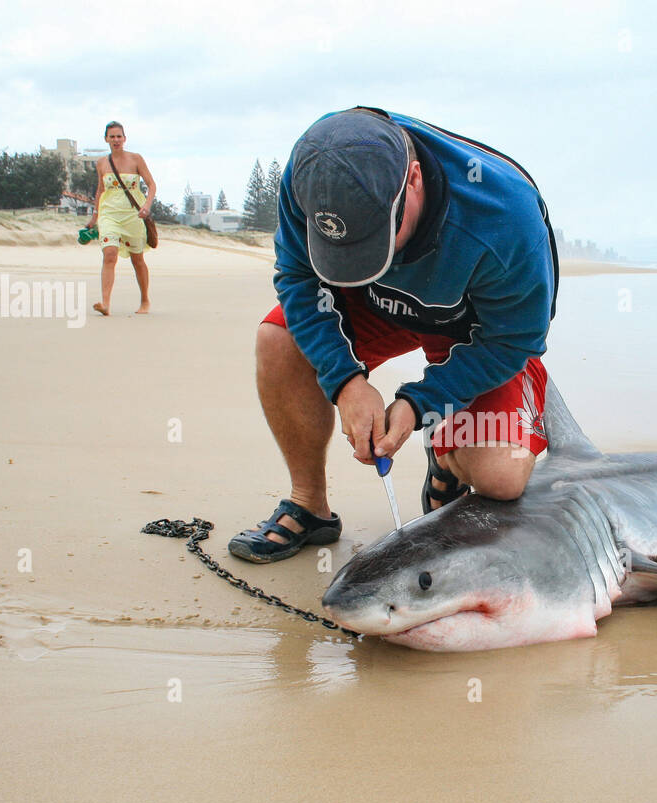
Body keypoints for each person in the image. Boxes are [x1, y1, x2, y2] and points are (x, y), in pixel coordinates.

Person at [229, 106, 559, 563]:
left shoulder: (506, 217)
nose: (371, 260)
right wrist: (344, 381)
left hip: (469, 325)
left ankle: (445, 455)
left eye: (378, 237)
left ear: (415, 179)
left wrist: (421, 402)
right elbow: (297, 280)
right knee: (277, 339)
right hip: (371, 306)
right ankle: (310, 505)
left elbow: (514, 339)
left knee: (500, 477)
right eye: (345, 248)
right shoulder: (311, 172)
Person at [86, 121, 156, 315]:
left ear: (124, 139)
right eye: (112, 136)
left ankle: (145, 300)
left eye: (119, 136)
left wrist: (146, 206)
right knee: (109, 254)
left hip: (132, 215)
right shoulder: (102, 163)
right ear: (106, 139)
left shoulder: (136, 159)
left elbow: (152, 185)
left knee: (137, 259)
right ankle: (106, 304)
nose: (116, 140)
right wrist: (95, 217)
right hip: (109, 214)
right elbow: (100, 190)